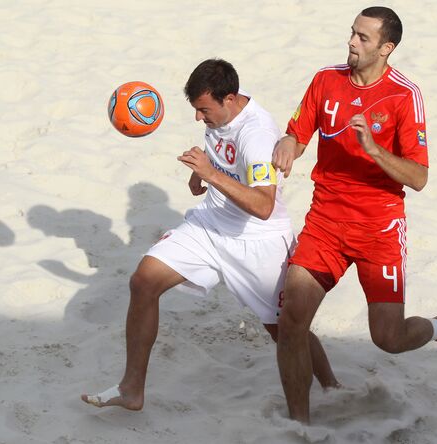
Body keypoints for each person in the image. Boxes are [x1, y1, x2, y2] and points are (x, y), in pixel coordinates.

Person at [81, 58, 338, 410]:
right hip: (211, 223)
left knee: (286, 331)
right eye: (196, 110)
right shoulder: (223, 105)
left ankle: (332, 387)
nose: (199, 118)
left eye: (204, 110)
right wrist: (204, 172)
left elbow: (263, 206)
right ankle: (131, 389)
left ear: (229, 99)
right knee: (143, 282)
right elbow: (222, 152)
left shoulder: (257, 135)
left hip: (257, 241)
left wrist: (211, 174)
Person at [272, 7, 437, 423]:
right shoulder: (326, 80)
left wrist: (376, 151)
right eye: (352, 34)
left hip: (379, 229)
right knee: (291, 321)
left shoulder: (403, 95)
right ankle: (299, 425)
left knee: (388, 338)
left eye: (363, 38)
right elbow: (298, 132)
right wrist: (290, 144)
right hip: (325, 222)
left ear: (386, 48)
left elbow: (419, 178)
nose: (352, 43)